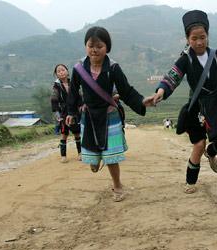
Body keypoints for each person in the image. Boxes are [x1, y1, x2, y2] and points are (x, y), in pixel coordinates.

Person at [152, 10, 217, 193]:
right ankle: (190, 181)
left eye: (202, 37)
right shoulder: (185, 60)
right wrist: (161, 91)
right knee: (199, 144)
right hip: (197, 107)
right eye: (194, 38)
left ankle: (212, 152)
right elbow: (172, 76)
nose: (199, 42)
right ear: (187, 39)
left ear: (208, 35)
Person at [66, 26, 154, 202]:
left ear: (107, 47)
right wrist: (70, 112)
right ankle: (95, 159)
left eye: (99, 46)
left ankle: (118, 185)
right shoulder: (79, 69)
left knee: (111, 156)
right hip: (89, 116)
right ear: (86, 46)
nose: (94, 50)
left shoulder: (113, 68)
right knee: (93, 158)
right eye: (91, 45)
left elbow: (126, 91)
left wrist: (142, 101)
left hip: (109, 115)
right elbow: (74, 92)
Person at [50, 64, 82, 163]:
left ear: (67, 71)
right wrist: (56, 112)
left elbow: (79, 95)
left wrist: (81, 105)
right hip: (63, 112)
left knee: (77, 133)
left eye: (63, 70)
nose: (61, 72)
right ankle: (63, 156)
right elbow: (54, 99)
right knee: (64, 133)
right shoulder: (56, 86)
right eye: (58, 71)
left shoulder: (73, 83)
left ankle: (80, 153)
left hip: (75, 111)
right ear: (56, 74)